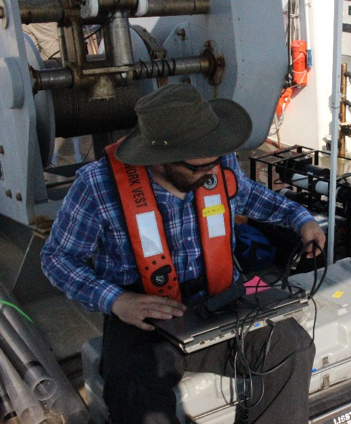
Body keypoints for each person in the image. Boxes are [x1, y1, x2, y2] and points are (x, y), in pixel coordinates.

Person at [41, 83, 326, 424]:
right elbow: (57, 259)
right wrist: (116, 300)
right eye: (199, 168)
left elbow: (255, 198)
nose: (212, 172)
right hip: (145, 320)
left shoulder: (217, 163)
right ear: (158, 159)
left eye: (216, 162)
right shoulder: (96, 186)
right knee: (135, 395)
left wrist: (302, 220)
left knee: (292, 345)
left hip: (225, 298)